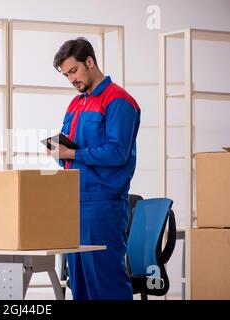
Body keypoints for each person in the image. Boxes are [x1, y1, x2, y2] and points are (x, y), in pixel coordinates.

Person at [47, 37, 140, 300]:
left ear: (90, 61)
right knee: (80, 284)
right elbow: (70, 156)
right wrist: (59, 152)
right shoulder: (76, 103)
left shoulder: (119, 101)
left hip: (103, 205)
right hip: (73, 202)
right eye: (66, 75)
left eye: (73, 71)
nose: (71, 80)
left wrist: (72, 152)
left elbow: (117, 152)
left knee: (106, 282)